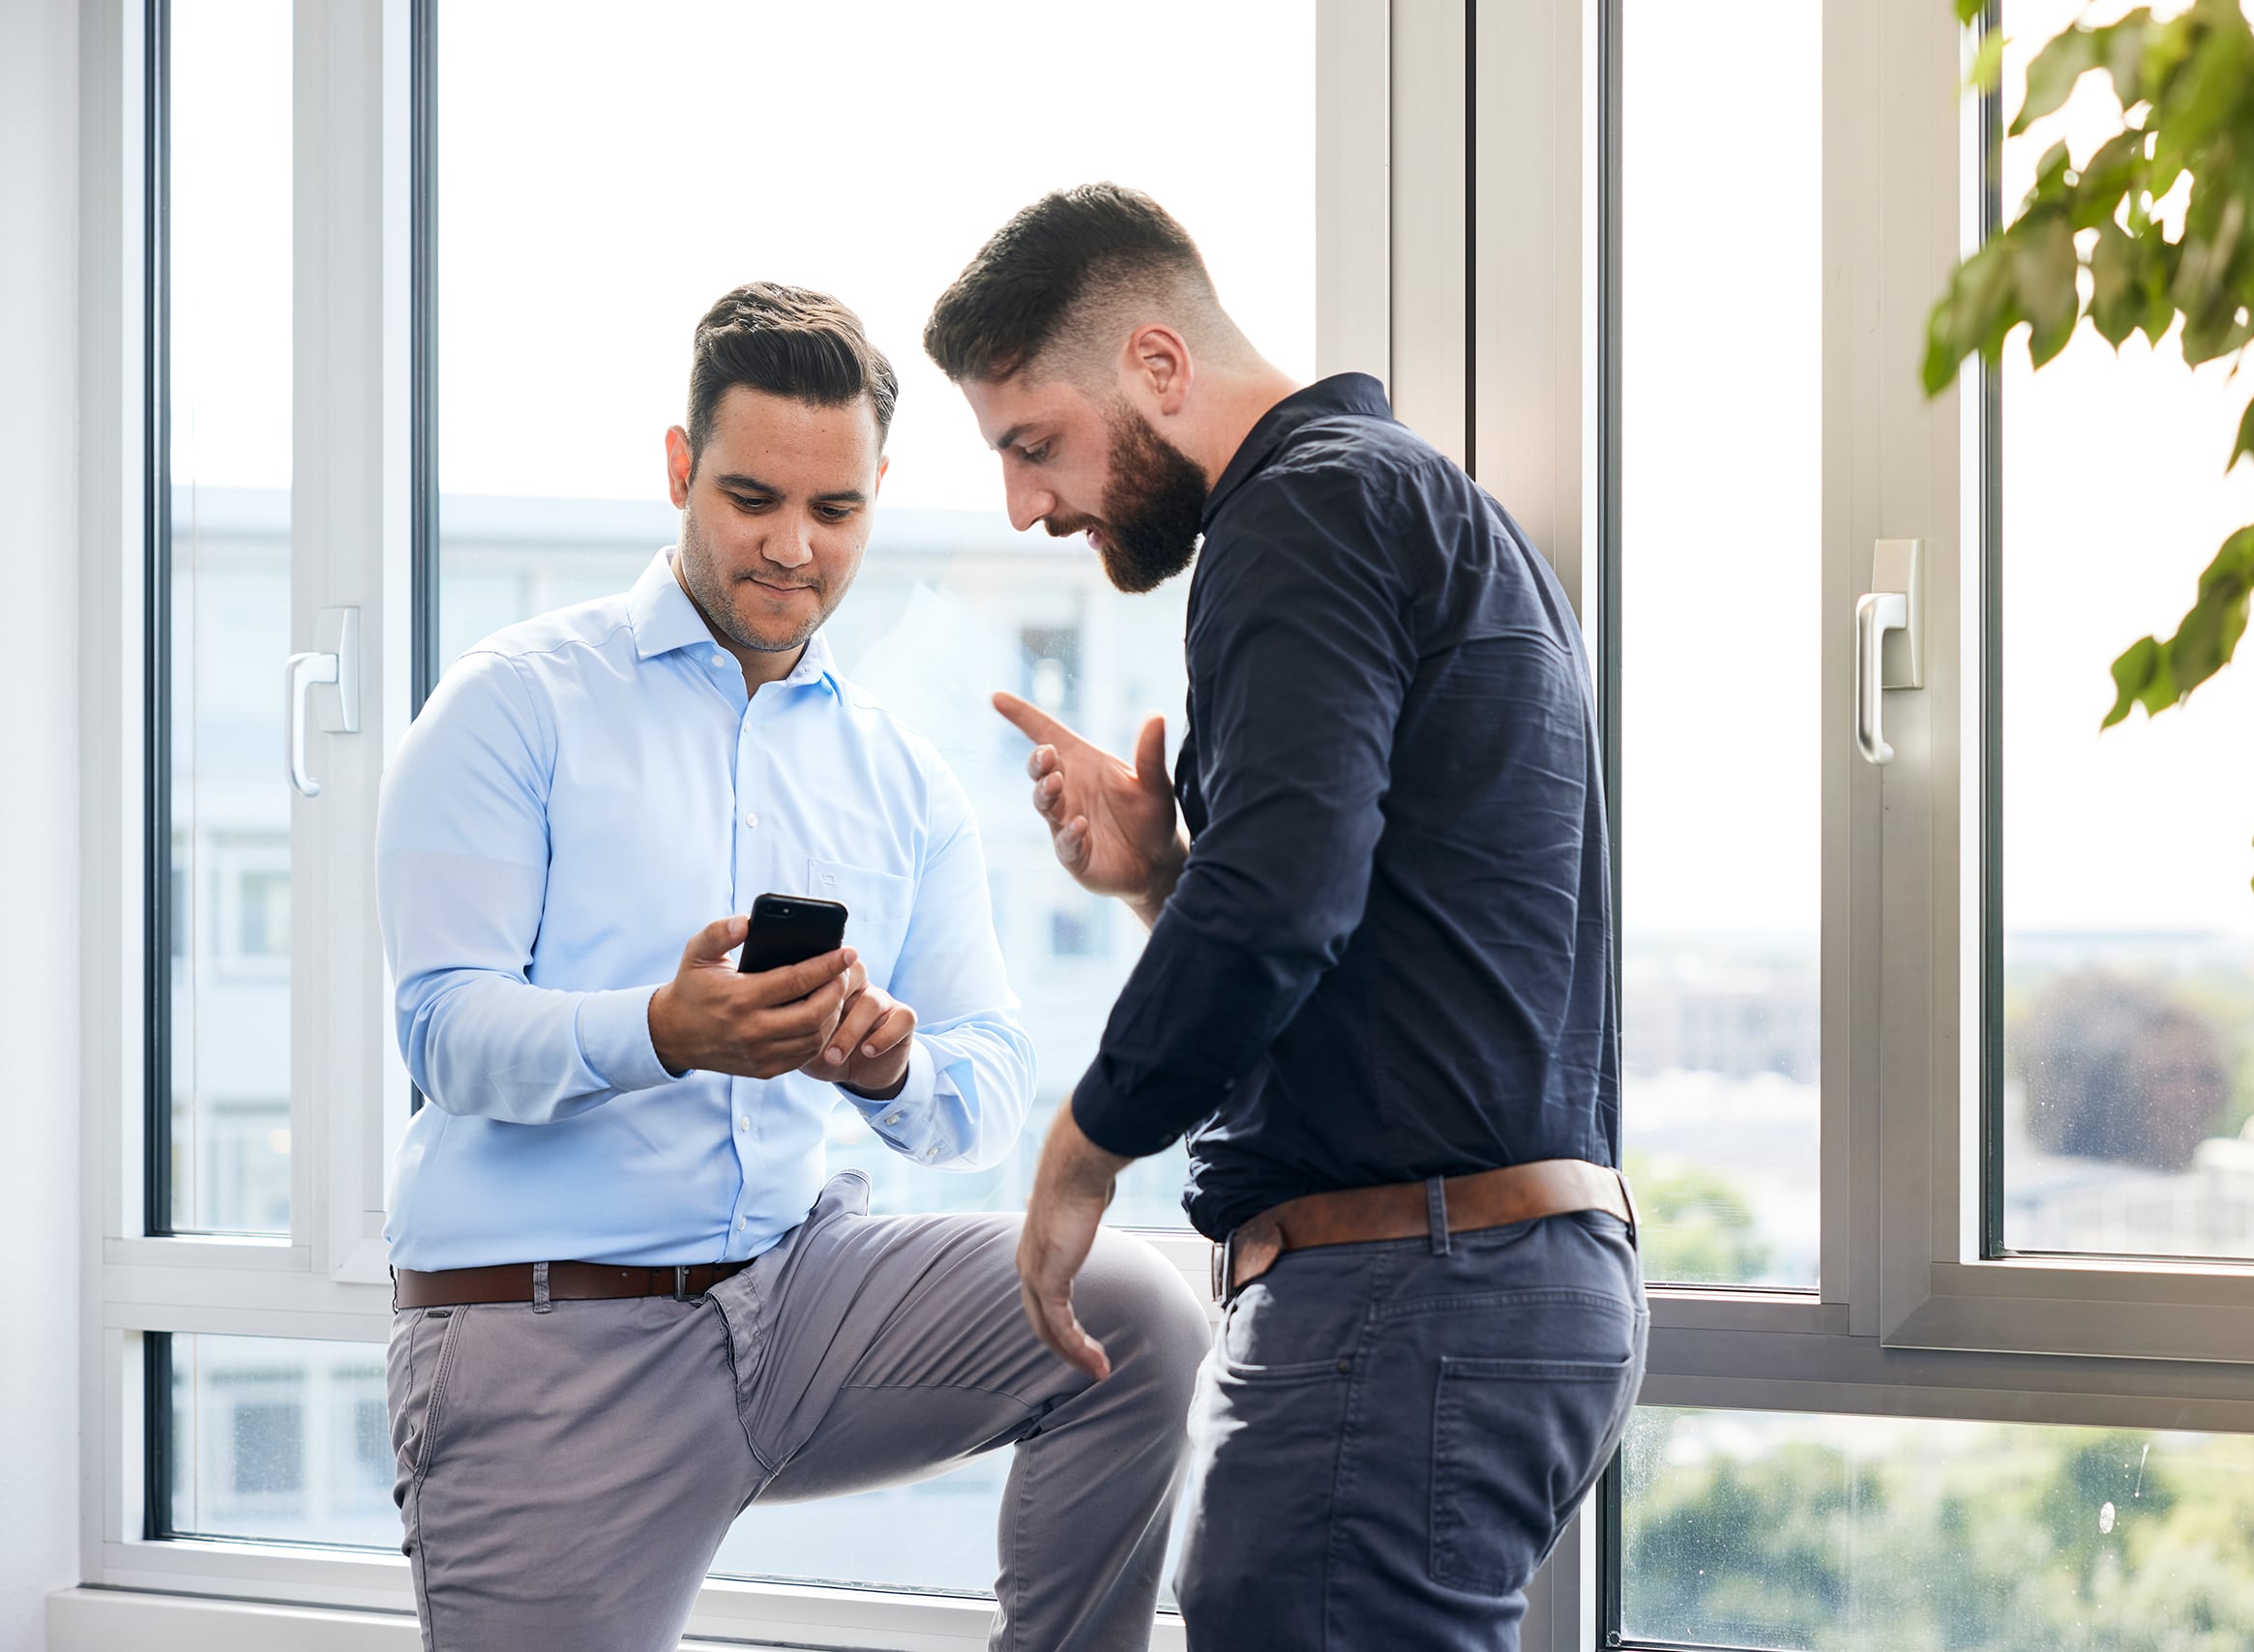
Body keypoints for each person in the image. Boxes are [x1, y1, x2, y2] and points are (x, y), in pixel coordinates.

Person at [375, 281, 1208, 1652]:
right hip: (550, 1334)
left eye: (836, 513)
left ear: (879, 494)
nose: (791, 549)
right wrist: (661, 1029)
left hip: (805, 1294)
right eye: (752, 498)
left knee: (1133, 1327)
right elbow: (443, 1035)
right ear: (678, 468)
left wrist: (892, 1064)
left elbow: (986, 1081)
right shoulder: (516, 700)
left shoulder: (898, 777)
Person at [924, 186, 1648, 1650]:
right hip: (1493, 1284)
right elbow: (1363, 952)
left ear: (1157, 366)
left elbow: (1281, 907)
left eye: (1032, 444)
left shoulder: (1302, 508)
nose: (1027, 504)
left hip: (1408, 1294)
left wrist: (1080, 1147)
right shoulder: (1424, 510)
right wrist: (1156, 879)